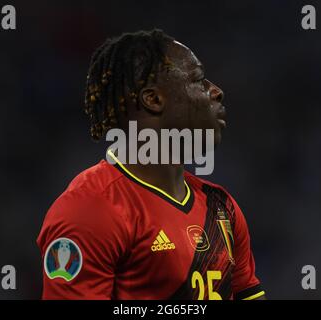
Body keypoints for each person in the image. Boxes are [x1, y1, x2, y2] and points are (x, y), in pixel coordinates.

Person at [37, 29, 265, 300]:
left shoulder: (222, 208)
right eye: (198, 80)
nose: (216, 91)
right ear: (153, 99)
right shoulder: (90, 209)